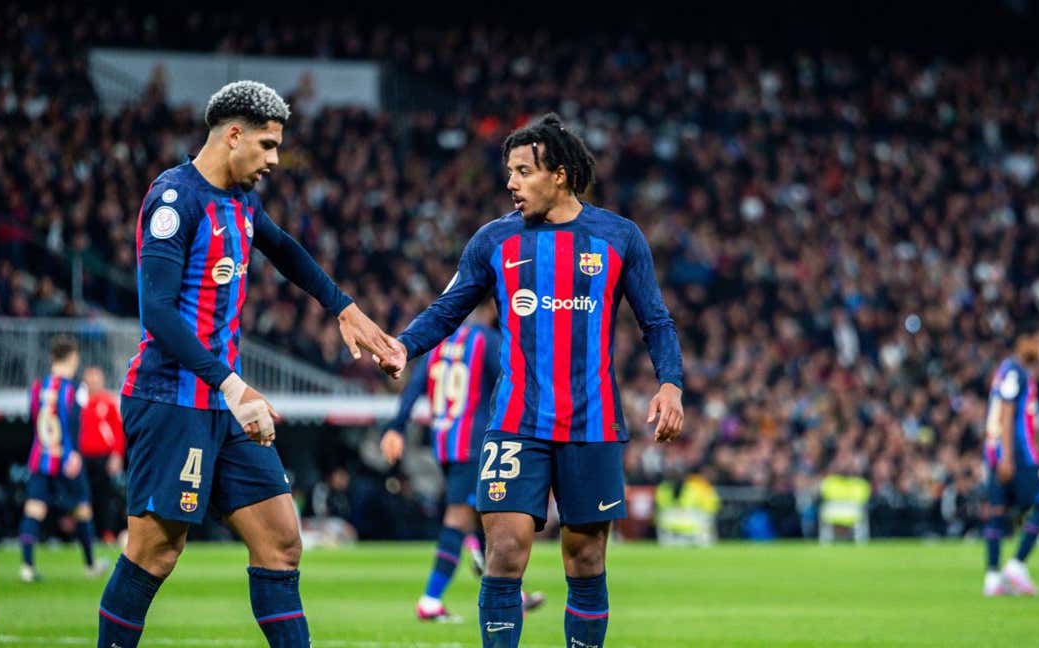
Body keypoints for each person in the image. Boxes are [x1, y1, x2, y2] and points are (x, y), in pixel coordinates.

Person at [97, 80, 404, 648]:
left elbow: (285, 249)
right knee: (154, 552)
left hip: (223, 403)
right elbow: (158, 315)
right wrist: (234, 385)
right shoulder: (174, 199)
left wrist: (344, 308)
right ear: (232, 135)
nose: (275, 159)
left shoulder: (240, 202)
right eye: (266, 145)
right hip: (171, 400)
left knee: (282, 540)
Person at [386, 113, 685, 647]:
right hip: (515, 423)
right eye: (509, 172)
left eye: (523, 171)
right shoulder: (493, 240)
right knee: (503, 551)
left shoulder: (619, 236)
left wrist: (671, 383)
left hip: (591, 424)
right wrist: (403, 345)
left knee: (586, 557)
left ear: (561, 174)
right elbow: (448, 308)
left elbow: (655, 320)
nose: (511, 183)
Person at [381, 302, 545, 622]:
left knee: (484, 514)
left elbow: (414, 387)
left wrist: (396, 427)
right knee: (460, 518)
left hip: (445, 443)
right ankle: (430, 600)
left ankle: (510, 591)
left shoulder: (440, 343)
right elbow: (513, 379)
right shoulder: (486, 339)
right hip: (473, 444)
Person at [20, 335, 105, 581]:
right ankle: (89, 566)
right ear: (72, 358)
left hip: (41, 458)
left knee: (34, 509)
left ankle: (27, 567)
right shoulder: (74, 389)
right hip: (67, 459)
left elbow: (33, 420)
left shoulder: (38, 387)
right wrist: (74, 453)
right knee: (82, 510)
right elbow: (76, 423)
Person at [982, 321, 1039, 597]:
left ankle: (992, 577)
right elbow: (1008, 414)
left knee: (997, 513)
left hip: (995, 451)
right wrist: (1008, 457)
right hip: (1016, 454)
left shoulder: (1007, 370)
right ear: (1025, 343)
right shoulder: (1016, 372)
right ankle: (1016, 564)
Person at [79, 366, 127, 543]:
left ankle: (107, 533)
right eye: (90, 380)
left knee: (105, 497)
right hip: (82, 457)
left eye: (96, 380)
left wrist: (116, 455)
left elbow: (118, 430)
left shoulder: (108, 402)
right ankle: (85, 535)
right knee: (83, 496)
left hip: (103, 457)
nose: (93, 383)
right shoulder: (78, 403)